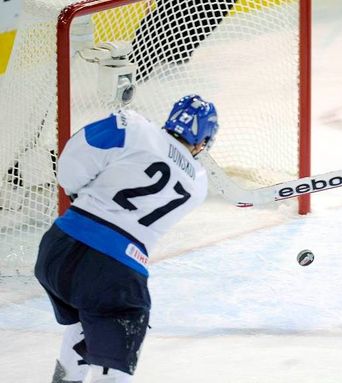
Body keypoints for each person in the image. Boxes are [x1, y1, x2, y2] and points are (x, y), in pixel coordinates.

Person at [34, 94, 219, 382]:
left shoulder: (133, 127)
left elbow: (73, 158)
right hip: (114, 272)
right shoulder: (199, 184)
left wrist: (79, 192)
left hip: (58, 250)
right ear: (202, 143)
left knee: (87, 316)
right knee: (114, 344)